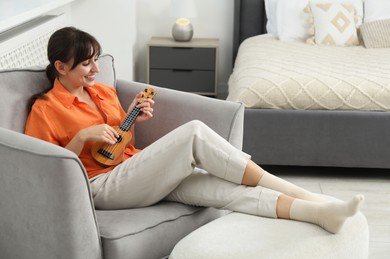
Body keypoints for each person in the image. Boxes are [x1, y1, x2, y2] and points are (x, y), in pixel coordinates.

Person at [25, 27, 364, 234]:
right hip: (101, 187)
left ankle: (319, 213)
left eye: (97, 59)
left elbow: (117, 141)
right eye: (87, 63)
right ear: (60, 67)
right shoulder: (46, 108)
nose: (97, 69)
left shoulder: (101, 91)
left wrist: (130, 122)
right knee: (194, 133)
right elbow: (44, 170)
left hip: (134, 169)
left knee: (221, 189)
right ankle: (302, 192)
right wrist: (82, 136)